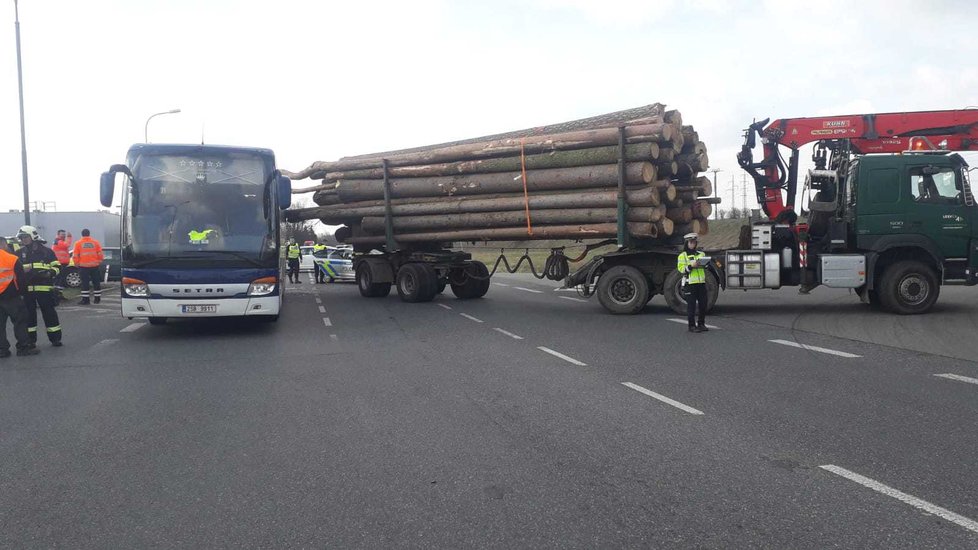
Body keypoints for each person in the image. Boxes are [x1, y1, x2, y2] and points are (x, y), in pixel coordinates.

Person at [16, 226, 63, 347]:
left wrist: (50, 273)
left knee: (49, 314)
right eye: (22, 238)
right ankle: (30, 341)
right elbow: (16, 271)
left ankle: (55, 339)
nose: (24, 240)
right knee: (28, 317)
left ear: (33, 236)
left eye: (26, 237)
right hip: (27, 290)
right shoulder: (20, 253)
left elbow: (57, 267)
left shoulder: (47, 252)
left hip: (44, 288)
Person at [0, 237, 39, 358]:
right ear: (3, 244)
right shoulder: (12, 259)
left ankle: (2, 350)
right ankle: (23, 347)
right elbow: (21, 279)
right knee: (20, 322)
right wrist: (22, 293)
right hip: (12, 296)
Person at [677, 232, 709, 333]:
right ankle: (691, 326)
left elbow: (706, 266)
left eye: (694, 242)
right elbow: (681, 269)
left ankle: (701, 324)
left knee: (703, 304)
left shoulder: (701, 254)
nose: (693, 244)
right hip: (690, 284)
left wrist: (705, 264)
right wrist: (691, 266)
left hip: (701, 283)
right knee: (691, 306)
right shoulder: (683, 256)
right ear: (686, 243)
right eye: (691, 242)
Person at [72, 228, 105, 305]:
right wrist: (99, 261)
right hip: (94, 266)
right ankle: (97, 299)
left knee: (85, 283)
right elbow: (100, 253)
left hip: (83, 266)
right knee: (96, 282)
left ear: (82, 234)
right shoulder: (95, 243)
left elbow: (75, 255)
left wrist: (76, 263)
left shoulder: (78, 243)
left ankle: (85, 300)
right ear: (89, 234)